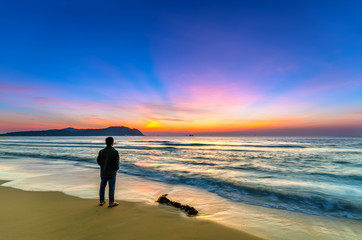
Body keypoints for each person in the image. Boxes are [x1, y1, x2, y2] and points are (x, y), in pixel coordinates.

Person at [97, 137, 120, 207]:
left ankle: (101, 201)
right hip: (111, 172)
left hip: (103, 171)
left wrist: (102, 166)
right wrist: (116, 169)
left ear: (106, 142)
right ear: (112, 143)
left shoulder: (101, 151)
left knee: (102, 186)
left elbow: (98, 161)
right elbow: (116, 163)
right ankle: (111, 202)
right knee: (111, 187)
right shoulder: (115, 152)